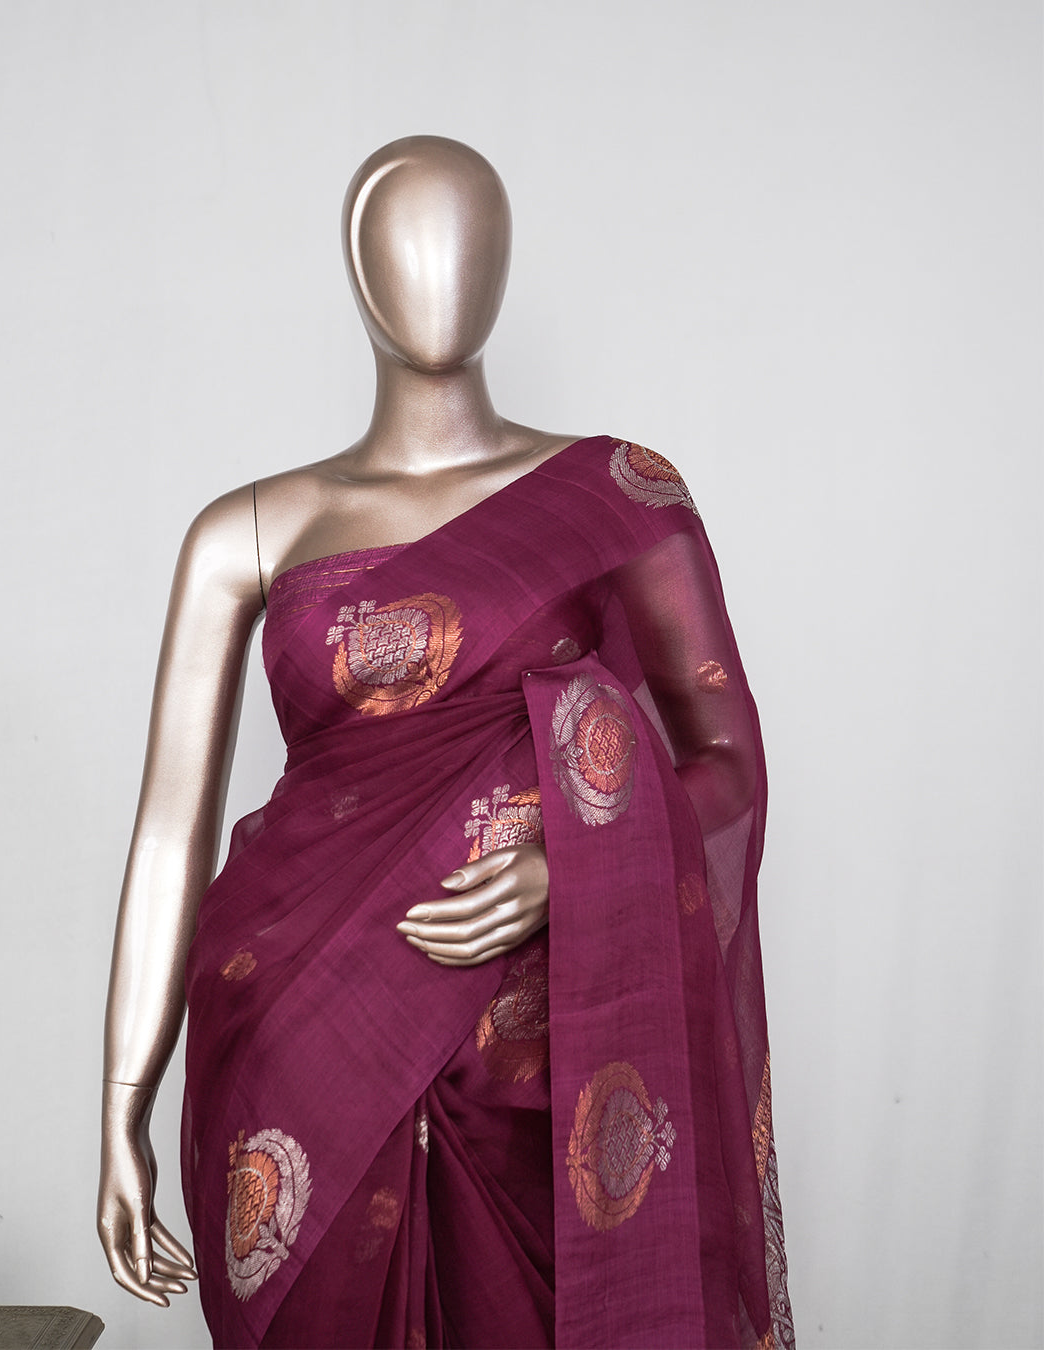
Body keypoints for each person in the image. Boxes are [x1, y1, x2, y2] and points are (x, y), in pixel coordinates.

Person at [97, 135, 792, 1350]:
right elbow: (169, 831)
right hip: (293, 1039)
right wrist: (122, 1102)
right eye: (407, 240)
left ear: (507, 261)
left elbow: (728, 766)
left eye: (471, 238)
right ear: (357, 268)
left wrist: (570, 867)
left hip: (536, 1065)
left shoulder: (614, 496)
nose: (441, 271)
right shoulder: (249, 529)